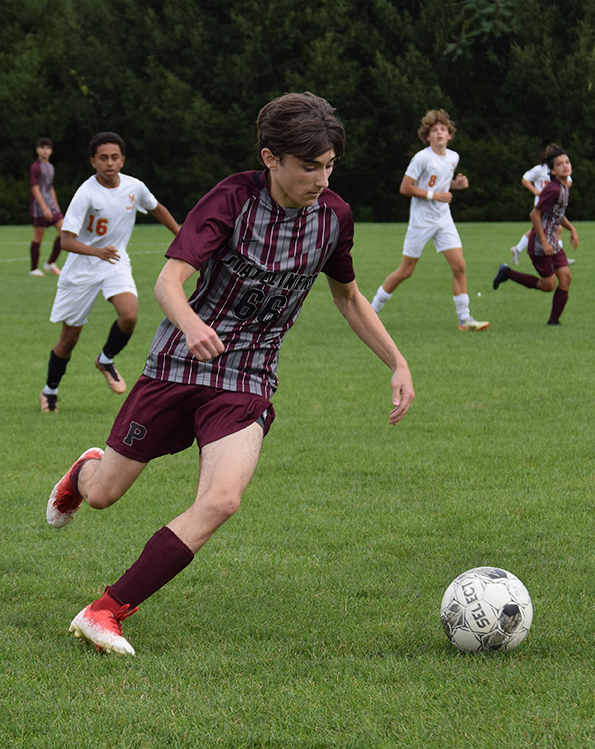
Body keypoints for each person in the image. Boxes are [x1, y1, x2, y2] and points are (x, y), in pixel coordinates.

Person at [45, 92, 415, 655]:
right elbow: (169, 282)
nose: (322, 179)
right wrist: (192, 325)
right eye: (309, 166)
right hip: (180, 362)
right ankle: (84, 473)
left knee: (222, 500)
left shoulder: (334, 216)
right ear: (271, 158)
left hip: (248, 376)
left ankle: (105, 611)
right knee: (103, 495)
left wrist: (398, 361)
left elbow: (348, 297)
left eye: (329, 166)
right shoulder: (232, 199)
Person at [39, 131, 179, 413]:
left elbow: (157, 209)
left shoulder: (134, 187)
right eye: (103, 158)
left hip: (115, 262)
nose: (109, 163)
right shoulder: (86, 193)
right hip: (81, 270)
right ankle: (49, 390)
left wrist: (181, 235)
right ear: (93, 162)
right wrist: (97, 251)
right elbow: (66, 241)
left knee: (129, 315)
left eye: (114, 157)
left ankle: (105, 359)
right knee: (69, 340)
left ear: (122, 160)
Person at [370, 109, 488, 332]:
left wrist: (456, 185)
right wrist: (435, 195)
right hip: (421, 220)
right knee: (406, 270)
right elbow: (405, 188)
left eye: (443, 129)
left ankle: (464, 319)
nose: (439, 133)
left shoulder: (453, 157)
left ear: (450, 135)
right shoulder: (422, 158)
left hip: (443, 219)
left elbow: (440, 182)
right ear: (427, 136)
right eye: (434, 130)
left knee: (459, 265)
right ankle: (370, 311)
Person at [493, 144, 578, 326]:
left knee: (566, 278)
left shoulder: (564, 187)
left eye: (567, 162)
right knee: (548, 285)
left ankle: (553, 322)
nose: (565, 166)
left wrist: (572, 229)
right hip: (540, 244)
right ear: (553, 171)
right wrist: (544, 242)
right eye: (560, 164)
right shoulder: (553, 189)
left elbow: (557, 214)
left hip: (552, 240)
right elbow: (535, 214)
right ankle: (508, 273)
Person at [509, 161, 574, 265]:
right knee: (555, 228)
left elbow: (569, 181)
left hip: (553, 205)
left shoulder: (559, 169)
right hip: (542, 206)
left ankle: (517, 249)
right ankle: (559, 257)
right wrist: (536, 191)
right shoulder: (539, 169)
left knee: (545, 229)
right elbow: (525, 179)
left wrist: (560, 189)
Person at [29, 138, 63, 277]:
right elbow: (35, 188)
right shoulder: (35, 167)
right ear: (37, 150)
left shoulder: (50, 167)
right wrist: (44, 208)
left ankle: (50, 263)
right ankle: (34, 269)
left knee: (64, 230)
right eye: (42, 148)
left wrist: (56, 206)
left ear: (51, 151)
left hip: (51, 205)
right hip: (39, 206)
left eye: (47, 148)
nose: (45, 150)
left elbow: (50, 188)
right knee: (38, 236)